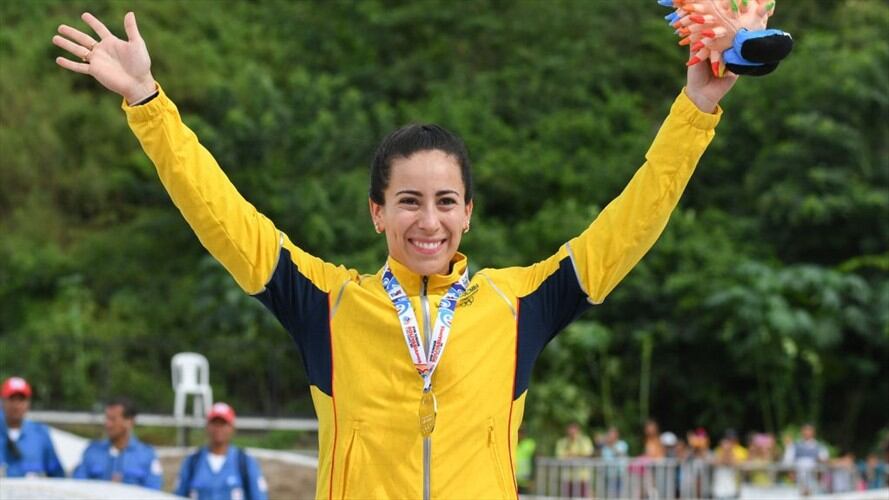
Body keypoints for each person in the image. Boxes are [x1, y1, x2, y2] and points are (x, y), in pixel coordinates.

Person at [52, 10, 737, 498]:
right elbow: (221, 214)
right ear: (377, 212)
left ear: (468, 213)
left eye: (445, 201)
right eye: (408, 201)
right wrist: (147, 101)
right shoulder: (327, 302)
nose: (428, 221)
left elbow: (631, 221)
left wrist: (695, 110)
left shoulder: (518, 302)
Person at [175, 402, 268, 500]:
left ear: (232, 428)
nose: (218, 428)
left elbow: (259, 496)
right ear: (207, 427)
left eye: (223, 424)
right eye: (214, 423)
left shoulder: (244, 462)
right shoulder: (192, 462)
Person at [73, 397, 162, 489]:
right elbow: (77, 488)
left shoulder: (147, 455)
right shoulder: (92, 451)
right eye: (107, 418)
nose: (107, 424)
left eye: (113, 419)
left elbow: (153, 493)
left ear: (129, 422)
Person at [0, 376, 64, 478]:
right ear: (2, 402)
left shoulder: (41, 435)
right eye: (12, 399)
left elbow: (57, 474)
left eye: (21, 399)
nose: (16, 405)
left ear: (28, 403)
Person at [783, 423, 830, 495]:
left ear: (813, 432)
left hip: (814, 476)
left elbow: (824, 461)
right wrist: (791, 473)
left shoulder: (820, 446)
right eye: (805, 430)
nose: (807, 432)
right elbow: (788, 461)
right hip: (798, 477)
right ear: (802, 431)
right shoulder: (794, 445)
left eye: (809, 430)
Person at [555, 423, 594, 497]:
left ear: (578, 431)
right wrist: (578, 456)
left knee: (583, 497)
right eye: (570, 432)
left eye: (574, 432)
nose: (572, 434)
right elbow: (560, 457)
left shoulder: (584, 440)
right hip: (568, 477)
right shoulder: (562, 442)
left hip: (582, 477)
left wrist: (571, 456)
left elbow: (588, 454)